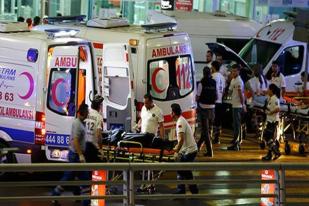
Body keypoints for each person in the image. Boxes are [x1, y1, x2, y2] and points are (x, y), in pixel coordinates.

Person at [52, 104, 90, 206]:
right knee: (81, 178)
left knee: (71, 177)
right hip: (76, 155)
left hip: (76, 154)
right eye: (87, 111)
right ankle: (85, 201)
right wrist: (81, 155)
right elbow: (75, 141)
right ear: (84, 112)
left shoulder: (81, 123)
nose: (88, 113)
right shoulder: (77, 124)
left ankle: (57, 195)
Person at [171, 103, 198, 194]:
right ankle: (184, 189)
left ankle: (189, 190)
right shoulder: (181, 120)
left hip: (190, 151)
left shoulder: (180, 122)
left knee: (183, 170)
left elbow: (181, 139)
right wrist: (176, 148)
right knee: (183, 169)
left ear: (173, 113)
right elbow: (181, 140)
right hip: (189, 150)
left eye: (171, 112)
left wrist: (176, 152)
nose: (171, 114)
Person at [196, 66, 217, 157]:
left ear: (204, 73)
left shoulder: (201, 83)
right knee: (207, 131)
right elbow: (216, 95)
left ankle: (210, 151)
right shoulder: (214, 82)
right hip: (212, 108)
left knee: (206, 131)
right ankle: (197, 147)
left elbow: (197, 96)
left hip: (203, 108)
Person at [227, 64, 246, 151]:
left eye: (235, 71)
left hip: (238, 105)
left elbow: (241, 94)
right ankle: (238, 139)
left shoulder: (239, 81)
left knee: (237, 124)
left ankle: (236, 141)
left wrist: (243, 105)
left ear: (238, 71)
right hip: (234, 104)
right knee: (236, 123)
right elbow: (230, 91)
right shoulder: (233, 80)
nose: (233, 72)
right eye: (232, 71)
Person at [262, 84, 281, 161]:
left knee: (267, 137)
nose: (267, 90)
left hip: (272, 121)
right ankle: (269, 155)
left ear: (272, 90)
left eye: (268, 89)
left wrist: (270, 113)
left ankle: (276, 151)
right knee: (269, 138)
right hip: (270, 120)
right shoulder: (270, 98)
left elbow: (278, 109)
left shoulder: (275, 99)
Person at [84, 95, 104, 162]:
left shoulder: (85, 112)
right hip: (92, 148)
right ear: (99, 106)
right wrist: (100, 149)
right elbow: (99, 135)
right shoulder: (99, 117)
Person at [211, 61, 225, 144]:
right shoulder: (222, 77)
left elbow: (214, 89)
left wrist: (214, 98)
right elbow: (223, 91)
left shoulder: (213, 76)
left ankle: (213, 137)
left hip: (214, 101)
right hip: (220, 101)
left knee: (213, 120)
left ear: (213, 67)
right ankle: (217, 138)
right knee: (218, 121)